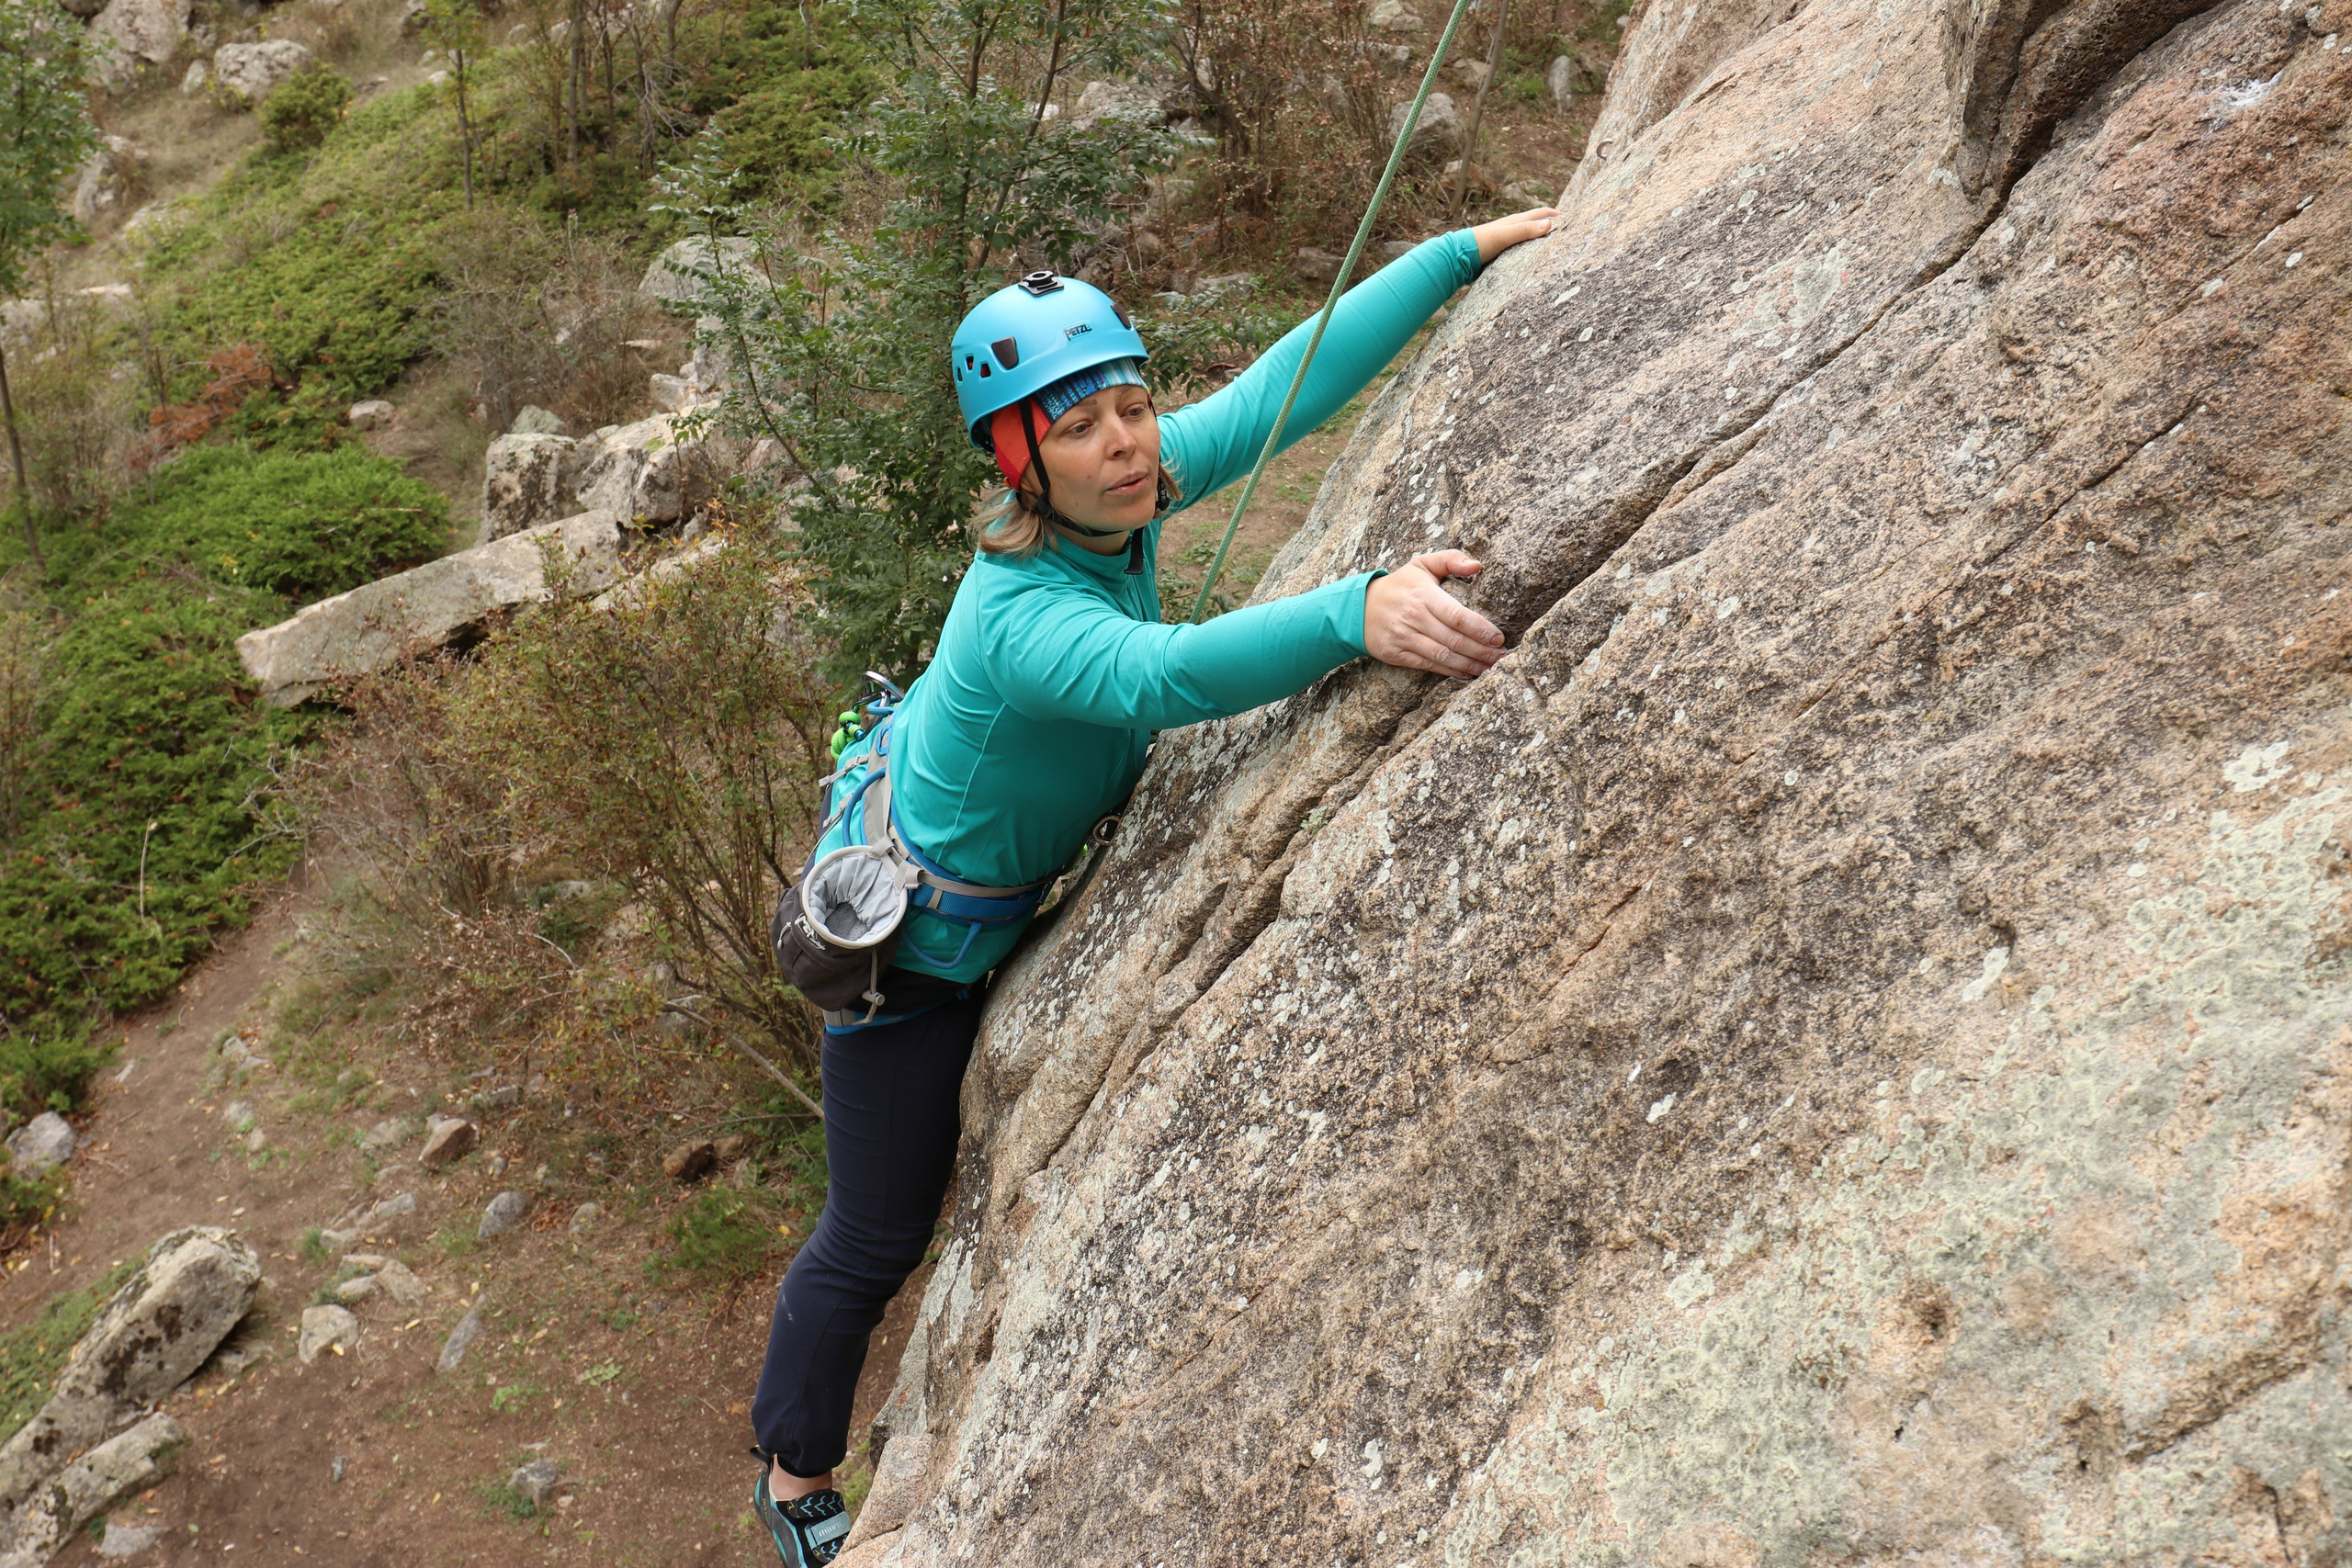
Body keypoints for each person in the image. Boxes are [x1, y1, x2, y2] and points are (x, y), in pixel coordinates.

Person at [747, 208, 1558, 1565]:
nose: (1126, 443)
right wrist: (1355, 609)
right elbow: (1165, 678)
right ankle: (791, 1472)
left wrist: (1456, 255)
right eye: (1080, 427)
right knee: (876, 1233)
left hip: (982, 890)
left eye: (1131, 407)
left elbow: (1275, 392)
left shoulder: (1114, 499)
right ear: (1019, 461)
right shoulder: (1019, 616)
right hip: (915, 967)